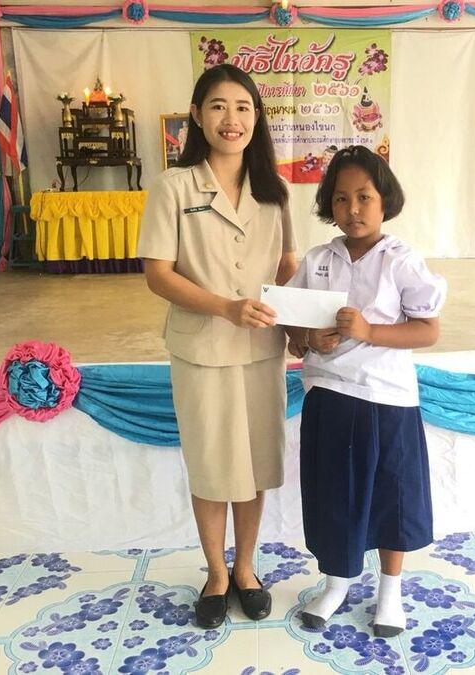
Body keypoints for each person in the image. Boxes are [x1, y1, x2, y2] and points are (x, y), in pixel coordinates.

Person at [136, 64, 297, 629]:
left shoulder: (274, 192)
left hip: (261, 349)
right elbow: (158, 274)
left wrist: (302, 318)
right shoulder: (174, 187)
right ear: (198, 117)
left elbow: (287, 264)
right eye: (219, 106)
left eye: (243, 107)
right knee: (210, 466)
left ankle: (246, 568)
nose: (232, 119)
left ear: (257, 117)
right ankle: (215, 573)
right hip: (201, 350)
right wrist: (225, 306)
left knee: (253, 464)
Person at [285, 145, 446, 637]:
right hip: (328, 396)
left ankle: (390, 592)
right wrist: (307, 337)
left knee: (392, 498)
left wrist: (369, 331)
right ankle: (337, 583)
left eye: (364, 197)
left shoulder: (401, 260)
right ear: (328, 205)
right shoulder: (318, 259)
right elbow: (292, 330)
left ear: (384, 201)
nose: (352, 209)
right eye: (340, 198)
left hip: (385, 400)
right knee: (334, 496)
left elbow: (428, 331)